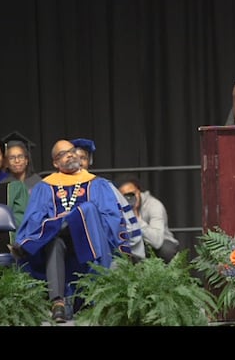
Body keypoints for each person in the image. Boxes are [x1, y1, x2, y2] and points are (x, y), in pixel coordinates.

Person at [10, 139, 129, 322]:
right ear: (55, 163)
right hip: (59, 243)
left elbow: (110, 218)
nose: (70, 154)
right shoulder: (46, 186)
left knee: (87, 210)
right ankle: (57, 303)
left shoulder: (97, 184)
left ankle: (60, 226)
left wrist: (76, 217)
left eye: (72, 151)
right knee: (54, 243)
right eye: (63, 154)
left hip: (91, 241)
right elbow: (34, 219)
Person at [71, 137, 145, 261]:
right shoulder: (57, 189)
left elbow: (127, 226)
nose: (79, 163)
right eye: (75, 158)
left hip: (105, 249)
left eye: (83, 158)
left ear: (89, 162)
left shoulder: (104, 186)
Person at [117, 177, 179, 263]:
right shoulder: (118, 207)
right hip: (133, 245)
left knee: (167, 250)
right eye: (125, 196)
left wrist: (135, 217)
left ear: (139, 191)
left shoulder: (154, 205)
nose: (129, 199)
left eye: (132, 194)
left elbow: (157, 241)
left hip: (157, 245)